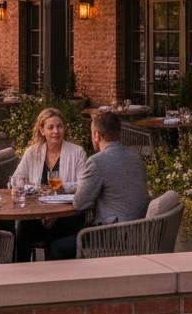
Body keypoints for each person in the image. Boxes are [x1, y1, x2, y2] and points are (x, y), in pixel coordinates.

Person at [47, 110, 149, 261]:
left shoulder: (97, 161)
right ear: (118, 133)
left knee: (56, 246)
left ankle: (67, 284)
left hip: (113, 234)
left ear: (96, 135)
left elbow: (80, 203)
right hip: (139, 231)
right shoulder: (135, 157)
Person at [11, 109, 87, 262]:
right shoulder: (32, 152)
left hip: (66, 214)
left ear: (64, 128)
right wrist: (21, 186)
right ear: (42, 131)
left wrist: (62, 186)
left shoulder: (77, 152)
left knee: (55, 236)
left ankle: (51, 277)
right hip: (37, 214)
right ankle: (20, 274)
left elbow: (84, 185)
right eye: (50, 127)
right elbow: (16, 178)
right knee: (22, 231)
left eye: (60, 126)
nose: (56, 131)